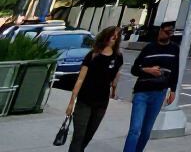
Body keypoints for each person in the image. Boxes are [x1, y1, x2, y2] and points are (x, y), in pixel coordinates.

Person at [123, 21, 179, 152]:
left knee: (146, 132)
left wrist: (173, 90)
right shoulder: (149, 48)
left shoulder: (175, 49)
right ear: (160, 31)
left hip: (159, 93)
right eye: (165, 31)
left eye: (170, 32)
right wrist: (148, 70)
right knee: (135, 130)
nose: (167, 34)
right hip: (142, 92)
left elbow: (175, 71)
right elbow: (134, 69)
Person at [66, 26, 123, 152]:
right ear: (105, 37)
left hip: (101, 102)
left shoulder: (118, 58)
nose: (113, 38)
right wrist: (71, 103)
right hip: (84, 101)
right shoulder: (93, 55)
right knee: (79, 135)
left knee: (88, 135)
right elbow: (80, 79)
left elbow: (114, 78)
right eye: (111, 35)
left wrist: (114, 88)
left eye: (116, 36)